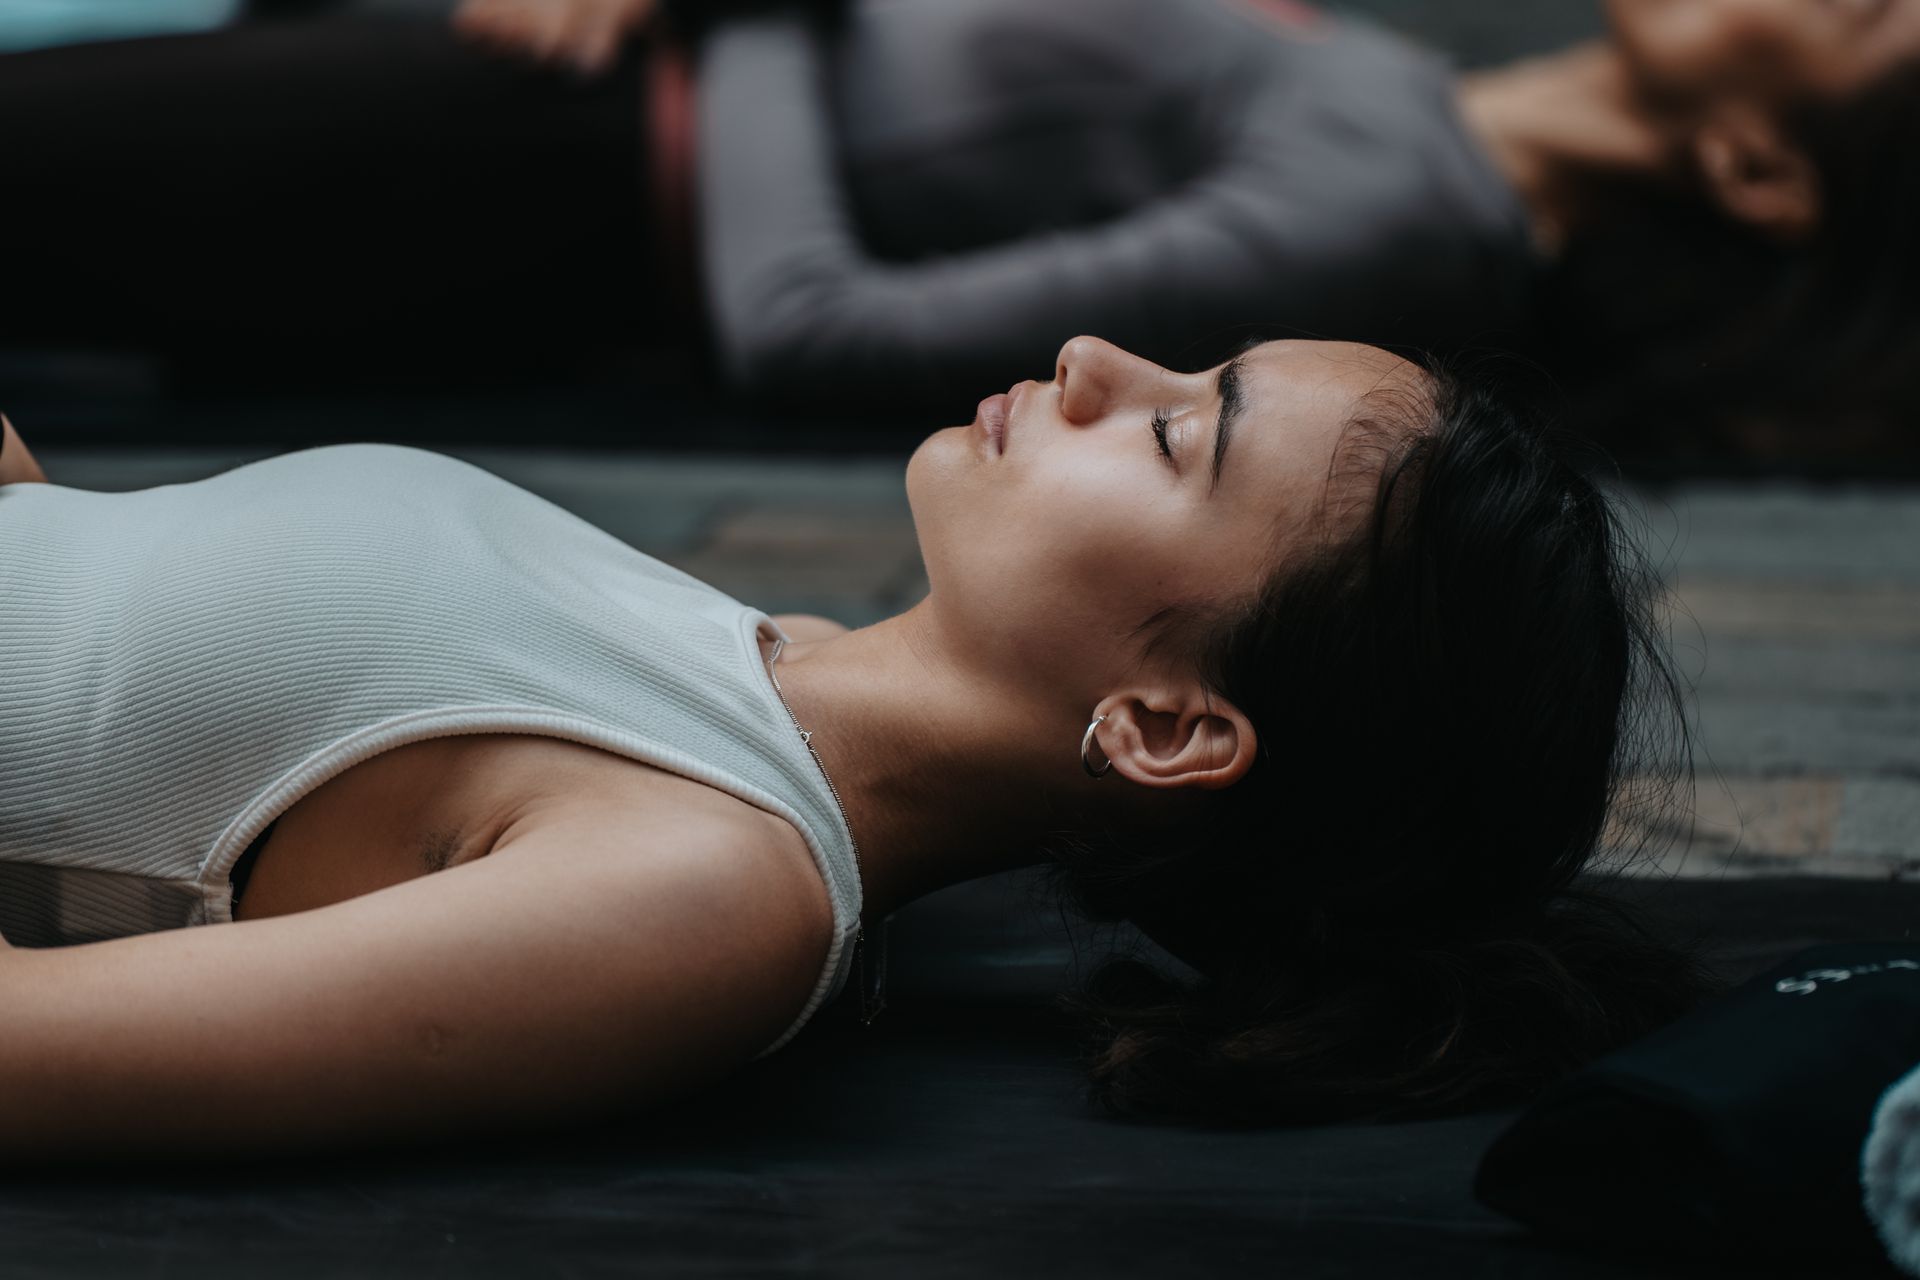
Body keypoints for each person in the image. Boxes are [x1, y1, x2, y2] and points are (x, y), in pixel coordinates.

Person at [0, 333, 1708, 1157]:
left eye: (1182, 432)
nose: (1096, 359)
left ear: (1173, 727)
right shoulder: (752, 659)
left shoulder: (705, 899)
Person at [1, 0, 1913, 427]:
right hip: (530, 85)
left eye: (1855, 11)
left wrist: (742, 6)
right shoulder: (1397, 94)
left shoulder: (1403, 212)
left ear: (1758, 167)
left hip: (511, 173)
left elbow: (812, 332)